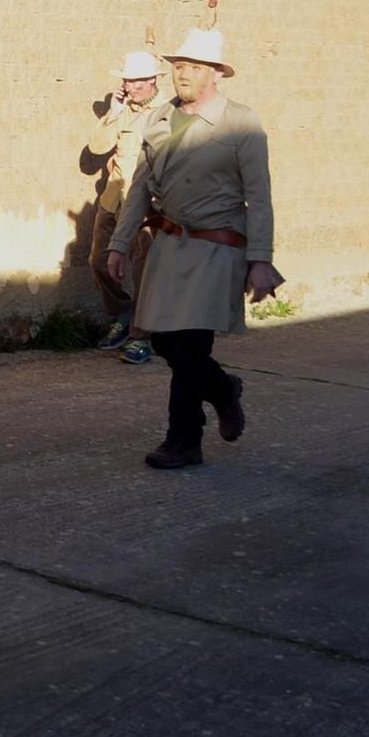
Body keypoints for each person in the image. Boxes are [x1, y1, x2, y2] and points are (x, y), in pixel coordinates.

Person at [108, 29, 282, 469]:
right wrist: (119, 243)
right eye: (179, 66)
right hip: (169, 245)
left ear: (215, 74)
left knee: (188, 348)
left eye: (194, 68)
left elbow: (259, 197)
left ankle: (183, 440)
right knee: (163, 342)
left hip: (215, 248)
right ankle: (223, 389)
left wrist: (261, 260)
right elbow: (139, 189)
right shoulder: (159, 119)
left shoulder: (240, 122)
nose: (183, 74)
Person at [87, 51, 164, 364]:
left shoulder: (166, 113)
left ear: (152, 81)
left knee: (143, 271)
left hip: (143, 204)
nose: (129, 86)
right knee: (98, 262)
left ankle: (141, 337)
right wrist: (113, 112)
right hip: (112, 199)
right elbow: (97, 148)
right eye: (126, 80)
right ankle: (122, 312)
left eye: (135, 81)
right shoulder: (123, 110)